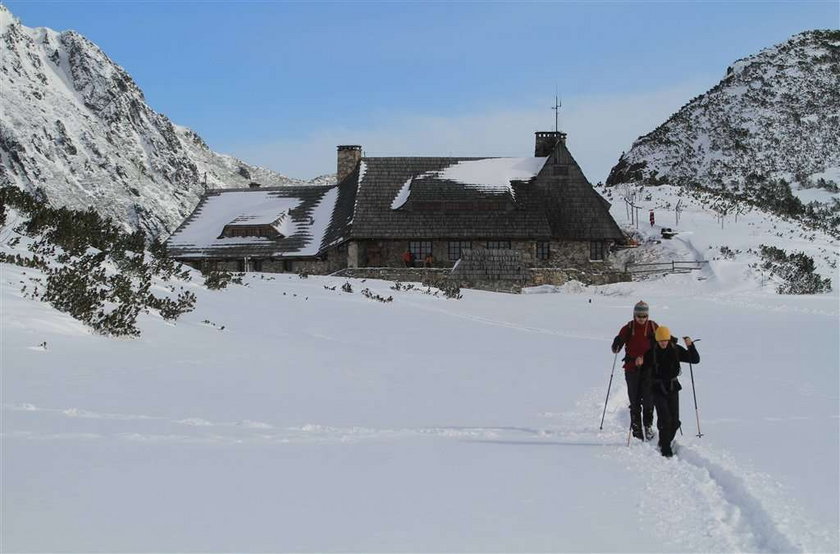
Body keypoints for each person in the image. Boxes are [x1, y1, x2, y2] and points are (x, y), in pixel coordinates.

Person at [643, 326, 699, 457]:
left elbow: (695, 360)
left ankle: (664, 441)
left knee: (675, 421)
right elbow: (644, 373)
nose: (663, 343)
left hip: (673, 387)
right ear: (657, 340)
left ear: (668, 339)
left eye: (665, 340)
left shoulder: (675, 349)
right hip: (657, 388)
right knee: (665, 419)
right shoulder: (651, 353)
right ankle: (665, 448)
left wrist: (690, 346)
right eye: (661, 340)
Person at [611, 301, 658, 441]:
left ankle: (648, 426)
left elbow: (662, 344)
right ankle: (636, 428)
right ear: (634, 314)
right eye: (639, 315)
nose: (641, 319)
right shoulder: (628, 327)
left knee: (649, 399)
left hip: (649, 368)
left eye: (644, 316)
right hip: (631, 368)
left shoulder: (653, 327)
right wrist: (617, 343)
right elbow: (616, 348)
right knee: (634, 399)